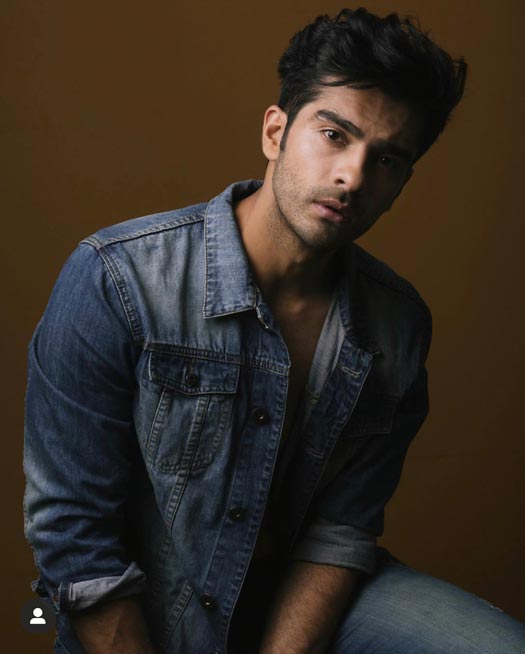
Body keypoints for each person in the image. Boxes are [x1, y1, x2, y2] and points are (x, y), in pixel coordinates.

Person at [23, 7, 525, 654]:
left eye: (386, 159)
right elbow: (74, 537)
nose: (352, 177)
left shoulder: (396, 326)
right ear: (275, 131)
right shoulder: (116, 278)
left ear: (403, 180)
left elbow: (340, 531)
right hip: (156, 606)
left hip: (298, 599)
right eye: (334, 135)